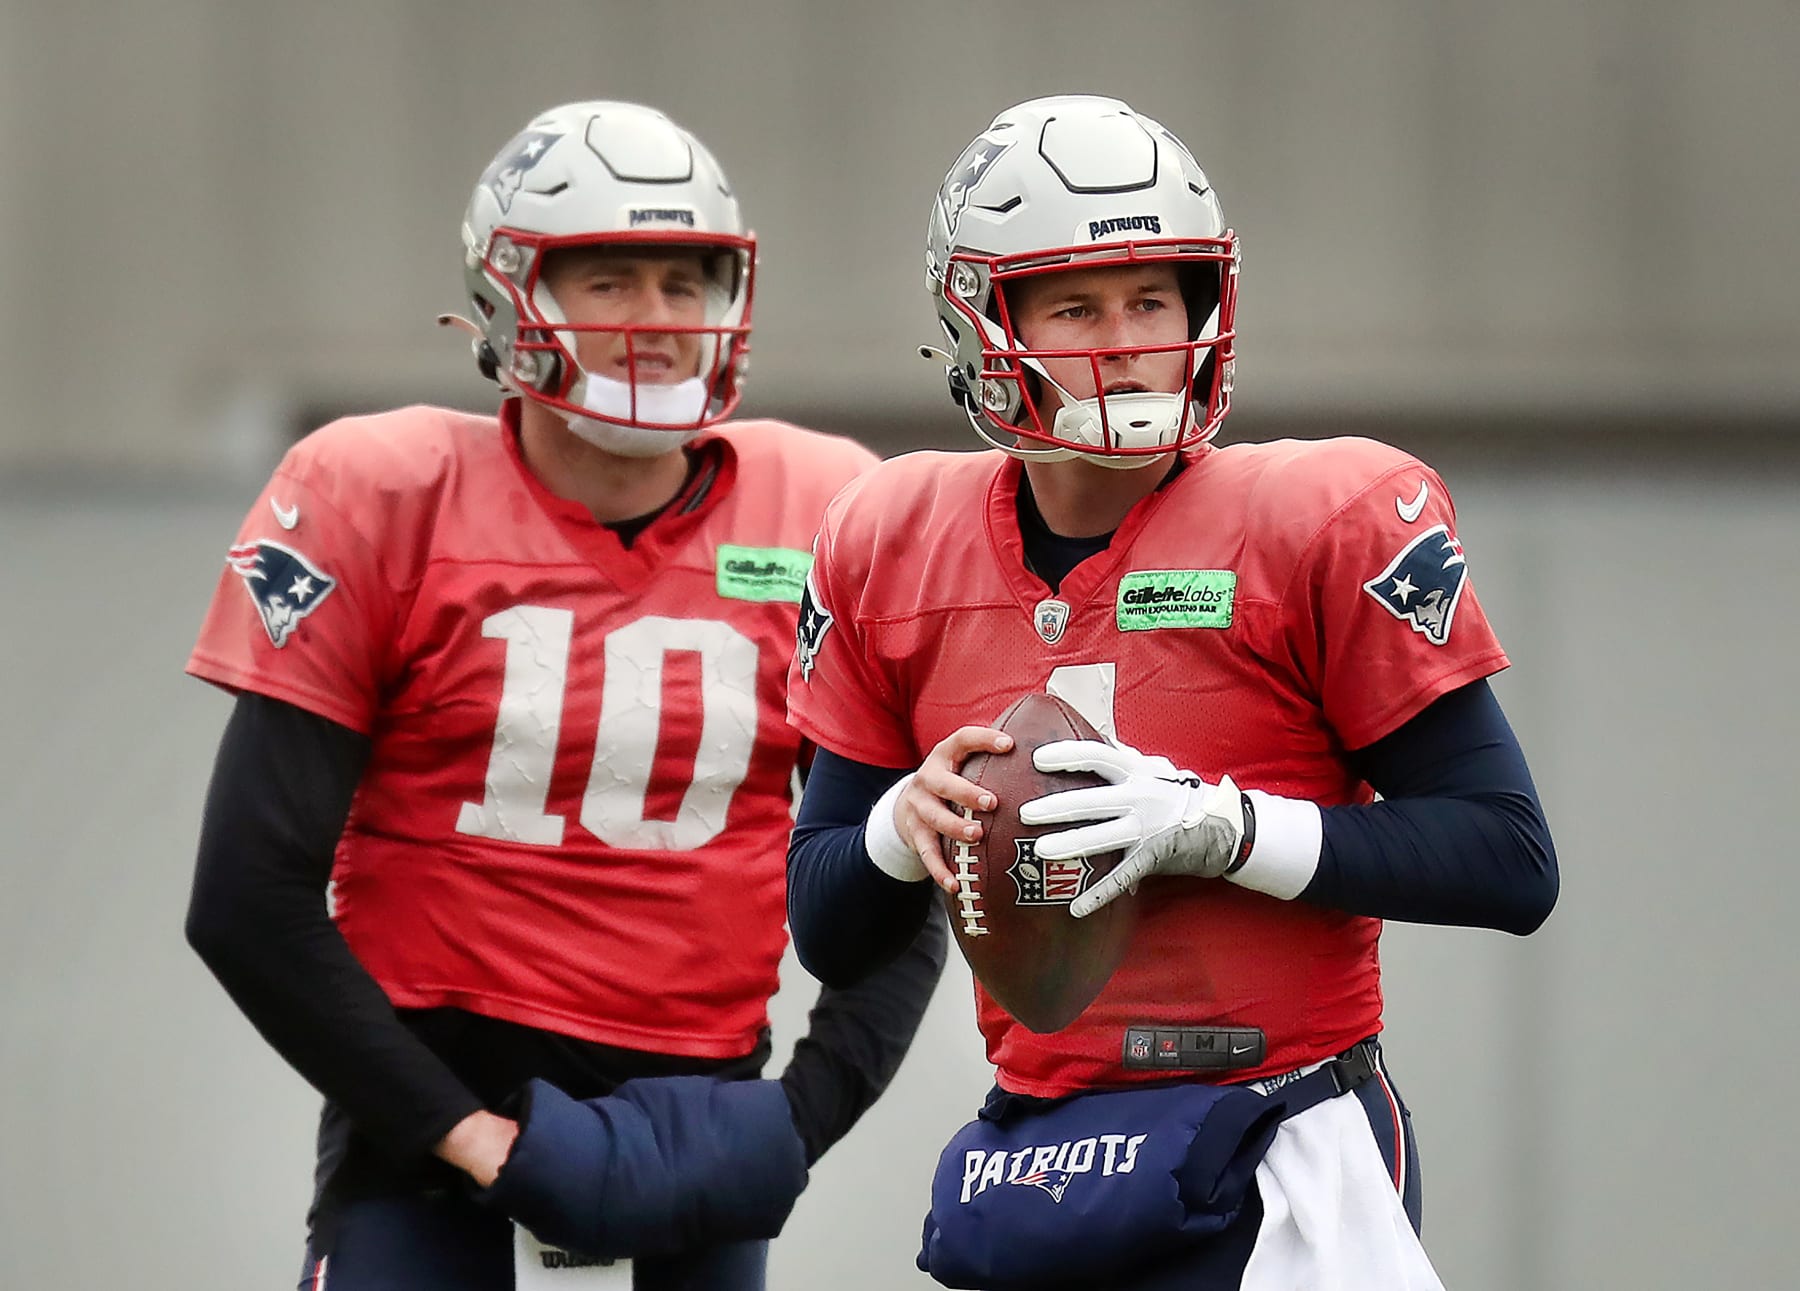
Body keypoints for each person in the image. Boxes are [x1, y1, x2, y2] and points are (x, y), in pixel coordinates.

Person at [785, 94, 1558, 1289]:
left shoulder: (1320, 519)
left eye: (1155, 298)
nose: (1129, 339)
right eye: (1078, 304)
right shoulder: (891, 538)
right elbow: (827, 925)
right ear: (983, 324)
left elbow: (1510, 859)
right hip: (1044, 1148)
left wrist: (1225, 827)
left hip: (1286, 1134)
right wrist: (901, 828)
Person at [184, 100, 946, 1291]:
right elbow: (244, 896)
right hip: (431, 1101)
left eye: (681, 280)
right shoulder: (381, 491)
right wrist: (471, 1138)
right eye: (608, 279)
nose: (651, 320)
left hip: (698, 1103)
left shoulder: (831, 509)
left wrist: (799, 1118)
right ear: (509, 297)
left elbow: (896, 870)